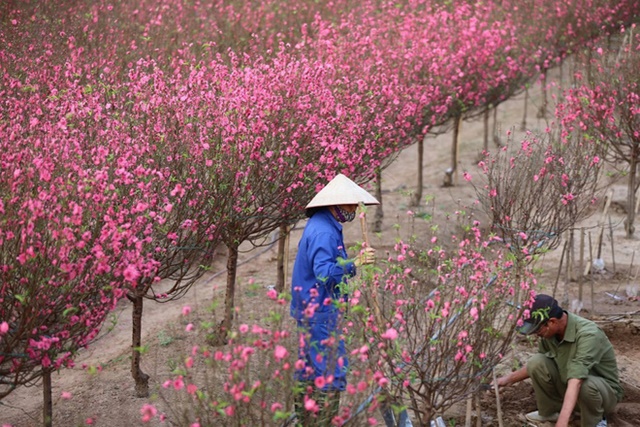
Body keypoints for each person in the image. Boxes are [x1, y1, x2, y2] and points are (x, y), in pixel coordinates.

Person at [290, 174, 379, 426]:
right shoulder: (324, 233)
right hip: (320, 311)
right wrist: (357, 263)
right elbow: (324, 273)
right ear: (335, 204)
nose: (353, 210)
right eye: (350, 204)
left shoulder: (324, 225)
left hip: (310, 308)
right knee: (329, 372)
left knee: (308, 370)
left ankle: (306, 420)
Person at [496, 294, 623, 427]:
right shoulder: (550, 334)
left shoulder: (588, 334)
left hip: (601, 394)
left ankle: (596, 421)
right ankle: (551, 412)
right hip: (571, 386)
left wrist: (562, 422)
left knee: (586, 385)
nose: (536, 334)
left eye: (538, 329)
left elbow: (577, 380)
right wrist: (508, 379)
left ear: (552, 322)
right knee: (537, 361)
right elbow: (539, 363)